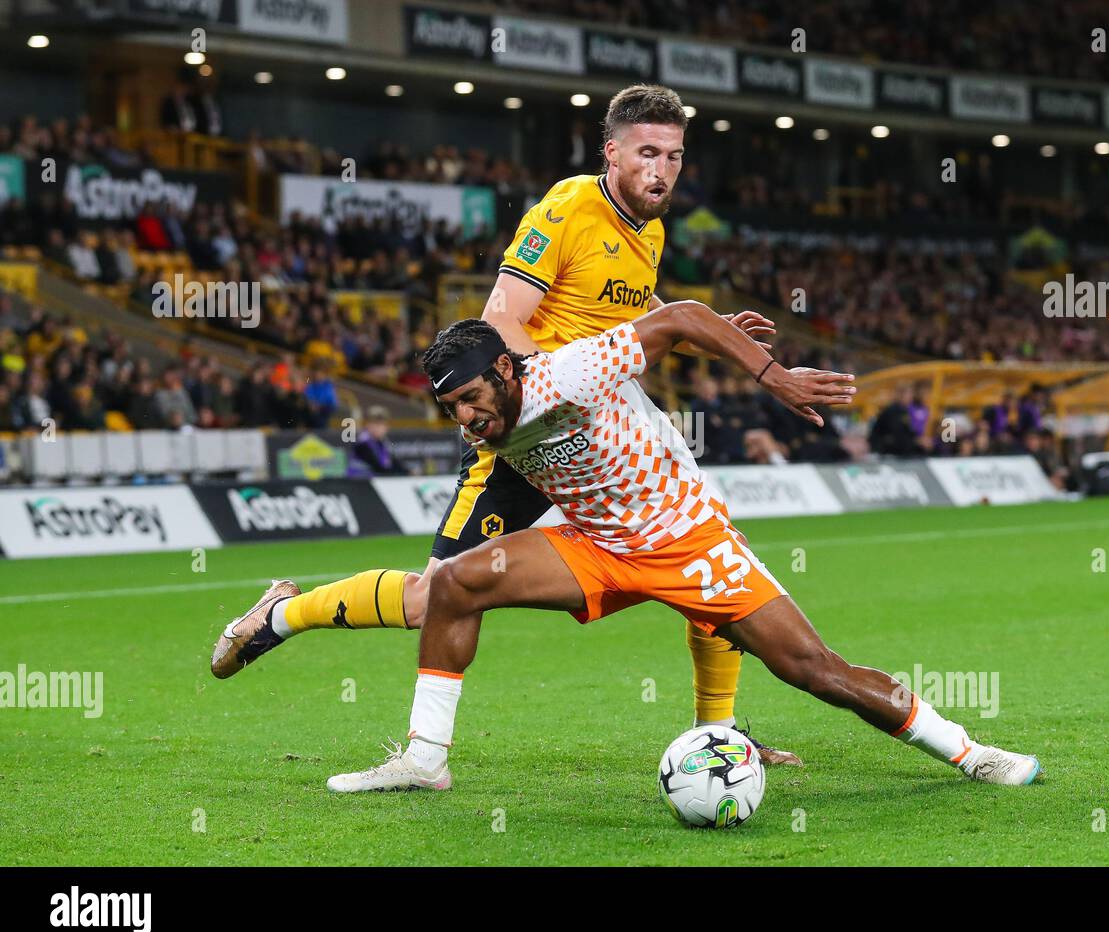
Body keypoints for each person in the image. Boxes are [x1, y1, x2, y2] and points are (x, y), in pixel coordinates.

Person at [211, 85, 800, 764]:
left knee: (717, 559)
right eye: (647, 152)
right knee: (429, 601)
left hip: (600, 441)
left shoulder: (650, 226)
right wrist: (551, 400)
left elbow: (631, 310)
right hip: (529, 440)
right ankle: (280, 614)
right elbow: (501, 317)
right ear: (612, 152)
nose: (660, 169)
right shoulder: (568, 207)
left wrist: (706, 333)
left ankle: (718, 735)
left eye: (672, 155)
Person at [306, 304, 1040, 792]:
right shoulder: (490, 419)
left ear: (505, 371)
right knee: (460, 583)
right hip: (594, 544)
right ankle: (425, 759)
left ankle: (970, 753)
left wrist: (769, 371)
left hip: (686, 541)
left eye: (469, 400)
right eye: (449, 409)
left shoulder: (570, 374)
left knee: (812, 670)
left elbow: (680, 318)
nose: (465, 420)